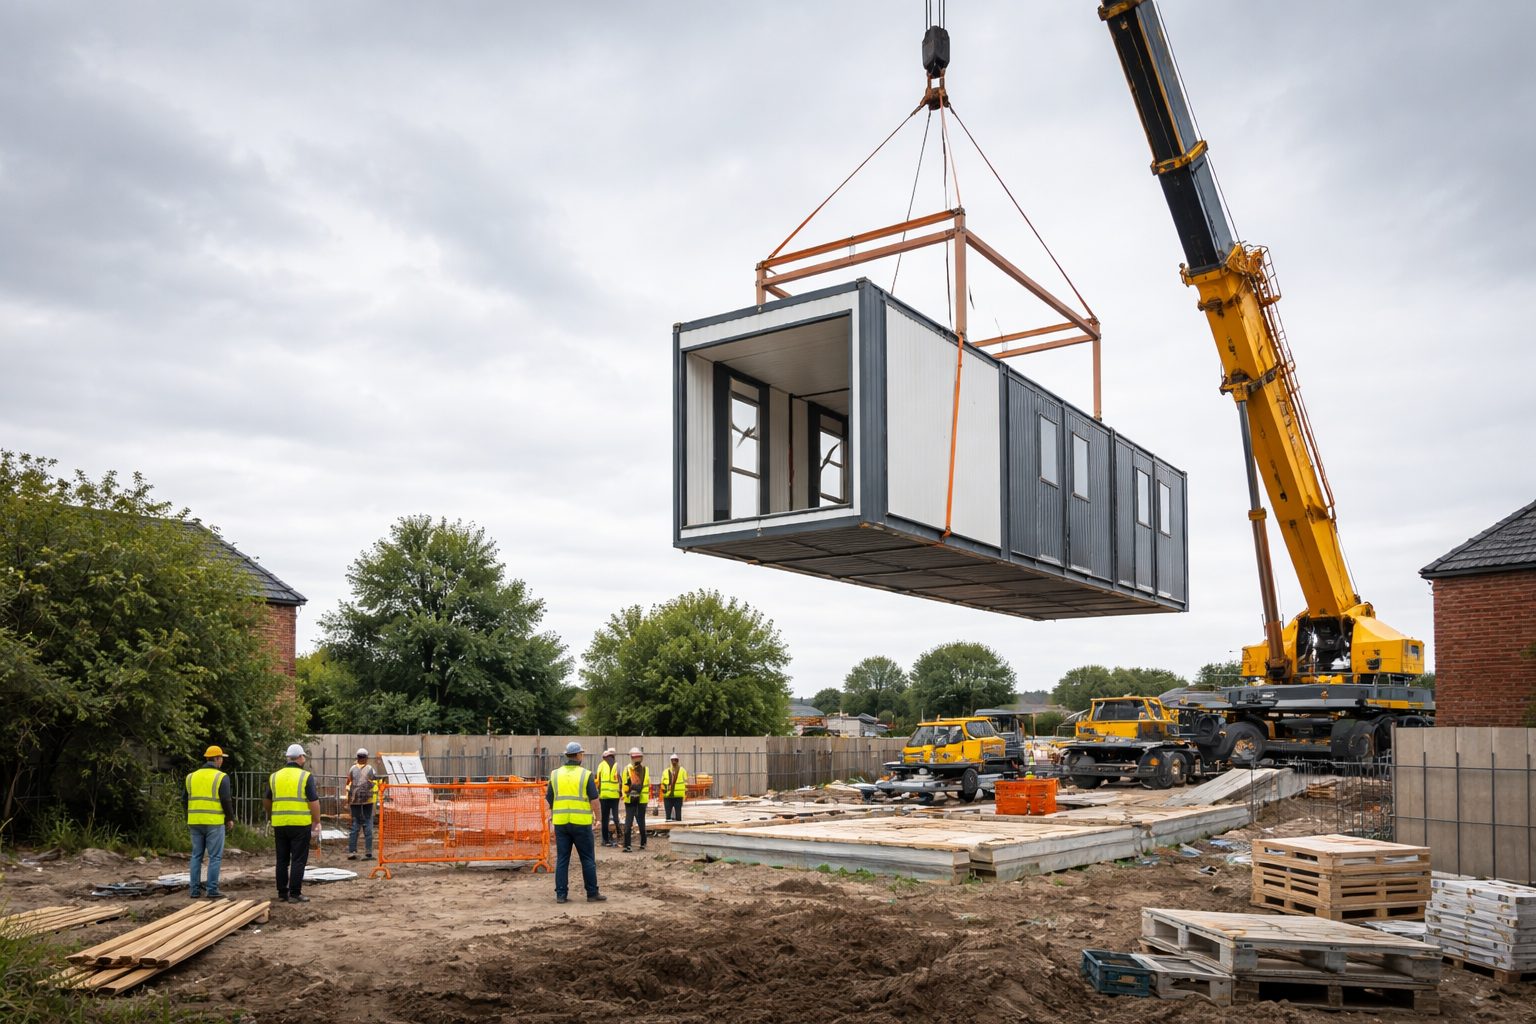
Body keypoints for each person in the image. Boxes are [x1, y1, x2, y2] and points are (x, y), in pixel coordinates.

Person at [545, 741, 604, 904]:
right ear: (578, 755)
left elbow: (549, 799)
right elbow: (595, 800)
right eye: (582, 754)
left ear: (567, 756)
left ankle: (561, 895)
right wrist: (598, 819)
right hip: (581, 824)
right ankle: (592, 893)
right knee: (587, 859)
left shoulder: (555, 774)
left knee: (563, 859)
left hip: (561, 823)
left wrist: (550, 815)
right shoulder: (586, 775)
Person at [265, 743, 320, 904]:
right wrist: (316, 821)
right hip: (300, 824)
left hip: (280, 823)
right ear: (301, 758)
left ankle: (282, 892)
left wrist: (270, 816)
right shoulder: (305, 776)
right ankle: (295, 893)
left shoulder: (274, 776)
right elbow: (313, 801)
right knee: (298, 859)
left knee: (281, 859)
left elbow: (267, 800)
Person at [185, 745, 235, 900]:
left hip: (194, 821)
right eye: (221, 759)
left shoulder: (191, 777)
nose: (222, 762)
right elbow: (226, 800)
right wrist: (230, 818)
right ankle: (212, 890)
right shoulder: (221, 777)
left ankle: (194, 890)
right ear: (217, 759)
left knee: (196, 856)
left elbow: (184, 799)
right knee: (215, 857)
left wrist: (189, 816)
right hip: (214, 821)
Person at [345, 748, 379, 861]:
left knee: (355, 826)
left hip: (355, 801)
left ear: (357, 757)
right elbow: (375, 783)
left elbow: (348, 784)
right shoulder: (370, 769)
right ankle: (368, 853)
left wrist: (348, 799)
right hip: (367, 802)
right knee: (367, 825)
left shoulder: (352, 769)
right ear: (366, 758)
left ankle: (352, 851)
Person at [620, 747, 652, 853]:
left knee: (635, 822)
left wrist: (628, 790)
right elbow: (626, 785)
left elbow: (626, 785)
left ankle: (633, 845)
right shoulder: (632, 769)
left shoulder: (634, 769)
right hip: (633, 800)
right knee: (635, 822)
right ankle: (636, 844)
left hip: (638, 800)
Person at [595, 747, 622, 848]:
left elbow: (620, 780)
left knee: (614, 818)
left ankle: (617, 835)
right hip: (605, 797)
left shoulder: (616, 766)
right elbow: (598, 780)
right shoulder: (602, 766)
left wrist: (621, 792)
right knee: (606, 819)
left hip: (613, 797)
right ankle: (605, 839)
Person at [661, 754, 688, 822]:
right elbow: (662, 784)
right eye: (673, 760)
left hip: (676, 796)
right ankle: (670, 830)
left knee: (677, 817)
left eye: (675, 760)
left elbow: (686, 782)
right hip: (669, 796)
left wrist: (685, 792)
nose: (674, 762)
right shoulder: (666, 771)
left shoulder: (682, 770)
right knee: (669, 817)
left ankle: (677, 830)